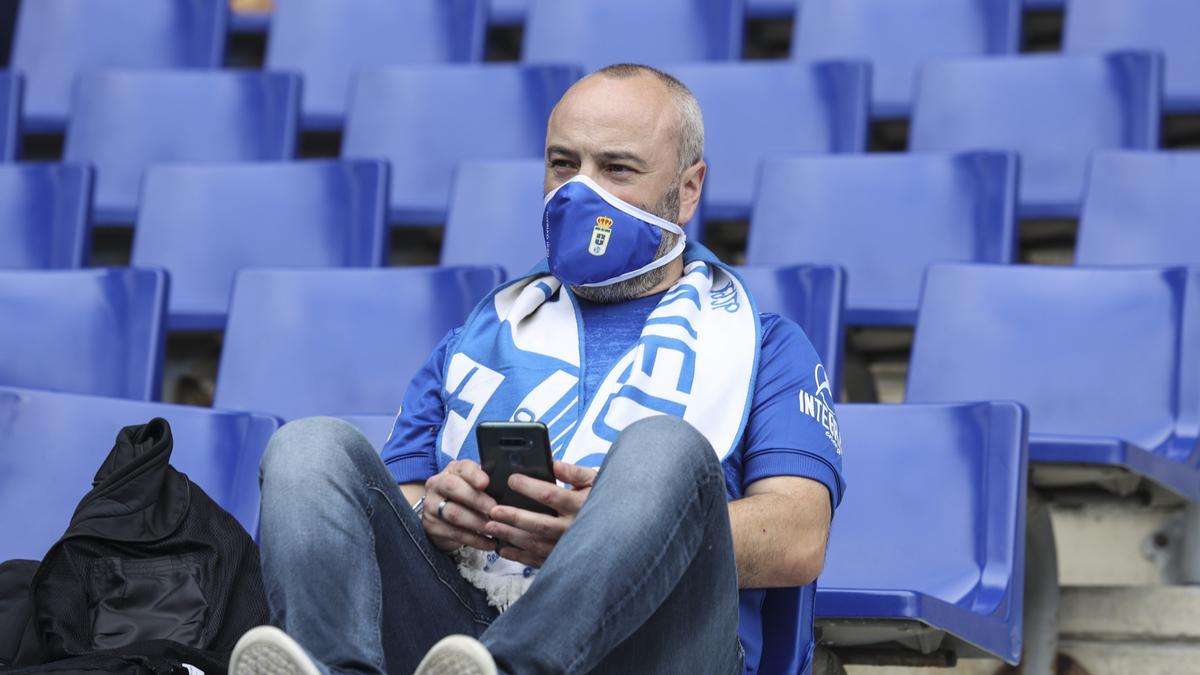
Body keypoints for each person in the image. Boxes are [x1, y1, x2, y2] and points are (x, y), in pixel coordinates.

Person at [229, 63, 845, 675]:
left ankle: (518, 667)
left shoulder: (767, 346)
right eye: (562, 164)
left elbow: (798, 538)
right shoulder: (476, 337)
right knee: (306, 448)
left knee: (663, 448)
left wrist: (609, 541)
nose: (579, 191)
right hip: (459, 633)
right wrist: (434, 514)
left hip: (656, 646)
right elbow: (396, 502)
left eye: (616, 169)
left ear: (688, 189)